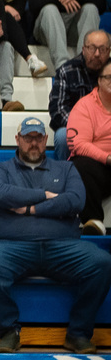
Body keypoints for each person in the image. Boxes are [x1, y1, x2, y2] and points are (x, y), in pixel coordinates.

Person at [0, 116, 111, 355]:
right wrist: (45, 195)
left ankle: (78, 333)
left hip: (63, 246)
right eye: (28, 137)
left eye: (38, 137)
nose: (33, 143)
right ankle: (9, 331)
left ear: (46, 139)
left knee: (101, 262)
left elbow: (75, 200)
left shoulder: (66, 167)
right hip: (11, 246)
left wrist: (30, 208)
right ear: (17, 139)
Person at [49, 29, 110, 160]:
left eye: (102, 49)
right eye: (92, 48)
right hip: (76, 127)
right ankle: (67, 177)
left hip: (107, 128)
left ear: (109, 51)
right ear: (83, 49)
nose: (97, 54)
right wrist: (85, 127)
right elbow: (57, 110)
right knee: (62, 137)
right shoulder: (67, 70)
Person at [66, 58, 111, 235]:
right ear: (99, 80)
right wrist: (107, 158)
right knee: (79, 164)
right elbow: (78, 144)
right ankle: (93, 221)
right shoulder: (85, 105)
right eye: (108, 77)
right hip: (98, 168)